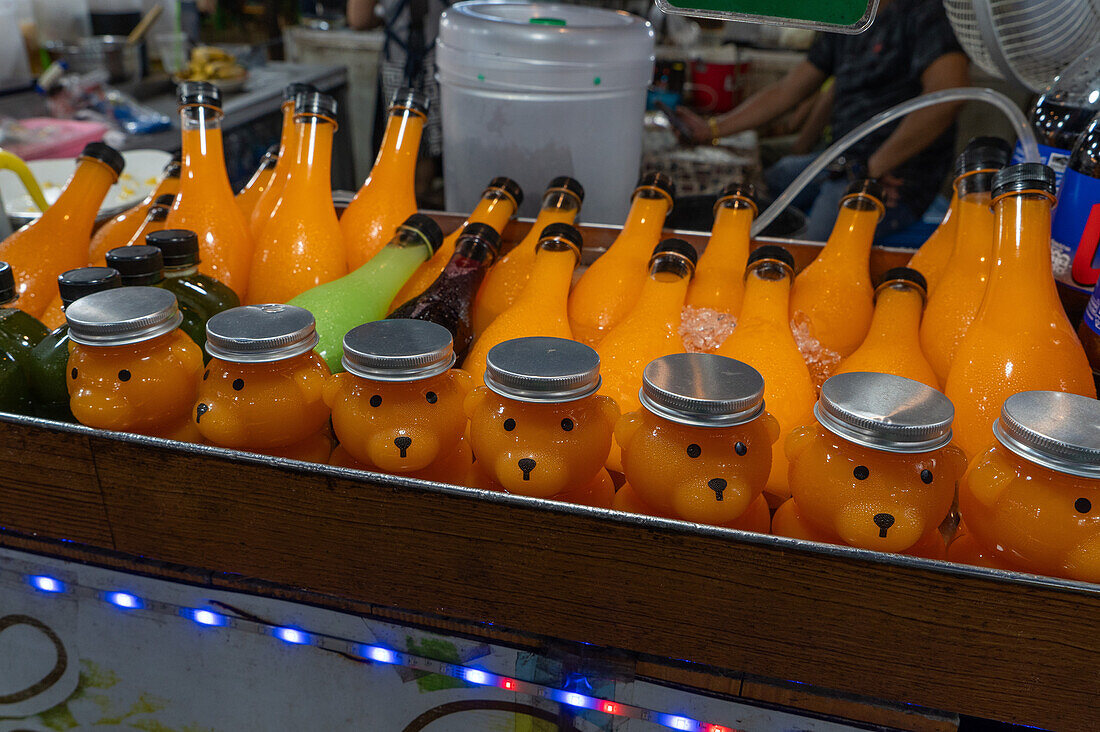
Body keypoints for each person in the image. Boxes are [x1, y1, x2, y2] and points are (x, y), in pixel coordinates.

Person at [677, 0, 970, 241]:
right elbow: (787, 91)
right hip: (841, 161)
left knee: (807, 250)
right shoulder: (848, 17)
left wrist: (874, 168)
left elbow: (947, 96)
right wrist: (711, 129)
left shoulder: (925, 15)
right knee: (766, 183)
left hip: (893, 180)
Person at [347, 0, 448, 188]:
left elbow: (359, 19)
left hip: (401, 65)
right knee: (433, 151)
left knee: (401, 148)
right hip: (444, 64)